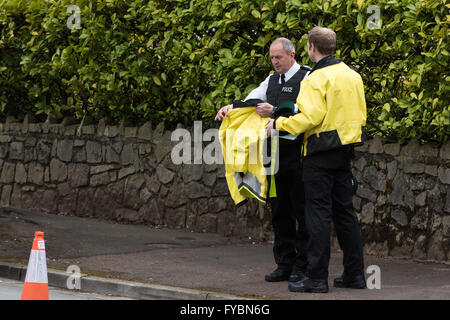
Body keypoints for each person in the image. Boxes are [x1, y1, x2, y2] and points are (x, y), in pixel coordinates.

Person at [266, 27, 367, 293]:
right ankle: (355, 275)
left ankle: (317, 278)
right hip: (344, 151)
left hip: (319, 153)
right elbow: (360, 114)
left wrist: (280, 123)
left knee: (317, 215)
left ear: (311, 47)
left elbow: (309, 118)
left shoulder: (314, 78)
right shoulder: (352, 75)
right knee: (345, 214)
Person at [215, 38, 311, 283]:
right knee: (279, 211)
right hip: (274, 158)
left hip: (299, 156)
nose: (274, 62)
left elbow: (310, 111)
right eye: (271, 57)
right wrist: (229, 108)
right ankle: (284, 263)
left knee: (303, 212)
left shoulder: (308, 77)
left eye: (278, 57)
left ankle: (304, 266)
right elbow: (250, 100)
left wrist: (275, 110)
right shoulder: (270, 80)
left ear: (292, 55)